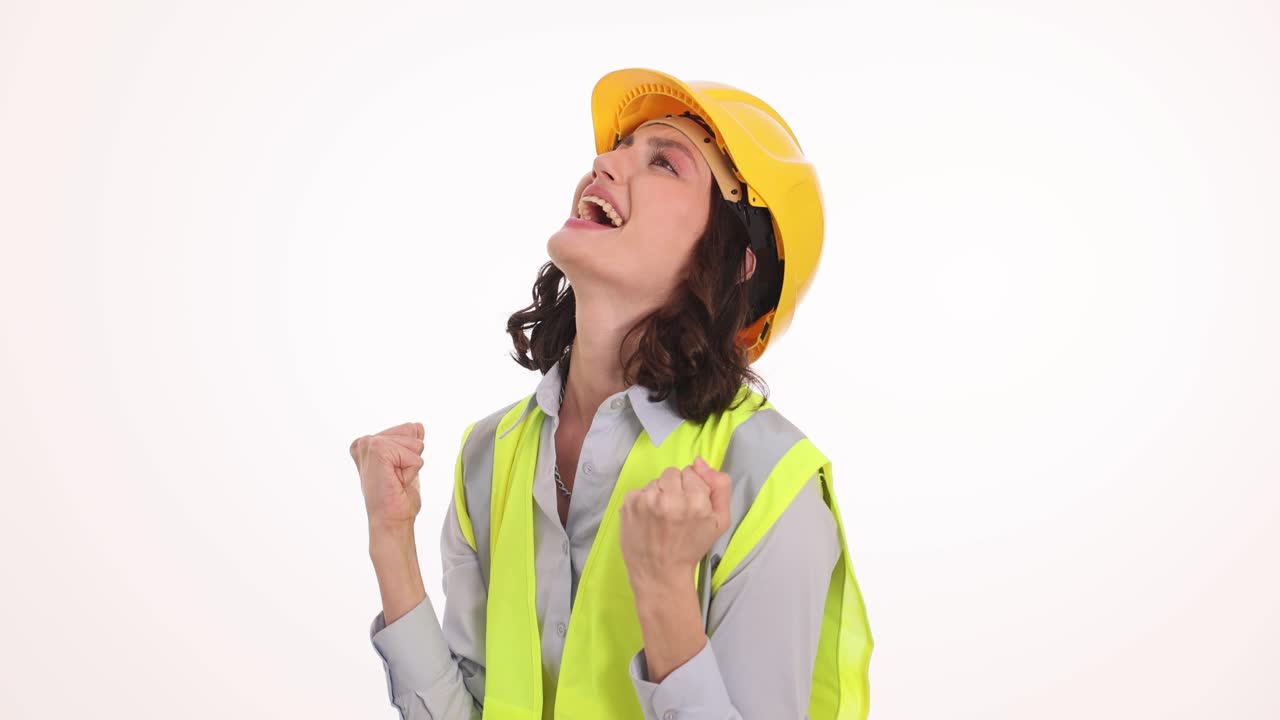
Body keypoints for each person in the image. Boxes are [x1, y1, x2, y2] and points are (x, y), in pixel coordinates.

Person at [352, 67, 873, 720]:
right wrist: (391, 549)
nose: (604, 162)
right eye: (618, 147)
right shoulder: (491, 455)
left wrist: (662, 594)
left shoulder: (770, 483)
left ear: (738, 258)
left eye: (665, 163)